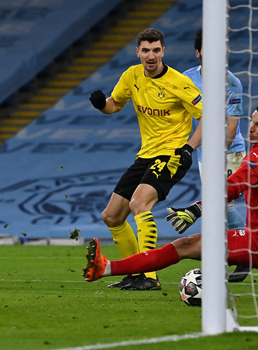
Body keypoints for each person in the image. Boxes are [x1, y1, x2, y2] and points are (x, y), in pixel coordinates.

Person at [83, 99, 258, 299]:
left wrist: (196, 209)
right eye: (252, 121)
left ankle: (105, 268)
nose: (251, 129)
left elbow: (231, 187)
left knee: (185, 245)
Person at [88, 28, 203, 290]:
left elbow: (207, 118)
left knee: (140, 203)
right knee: (112, 216)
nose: (151, 56)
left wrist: (188, 148)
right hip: (146, 154)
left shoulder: (179, 83)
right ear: (137, 52)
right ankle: (134, 272)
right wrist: (100, 104)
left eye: (156, 50)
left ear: (164, 51)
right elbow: (114, 104)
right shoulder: (131, 75)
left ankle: (149, 276)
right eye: (146, 50)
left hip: (173, 153)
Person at [179, 28, 258, 283]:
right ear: (198, 52)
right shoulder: (185, 79)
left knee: (223, 203)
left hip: (230, 152)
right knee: (220, 207)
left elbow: (232, 125)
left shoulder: (231, 82)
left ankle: (246, 258)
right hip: (202, 154)